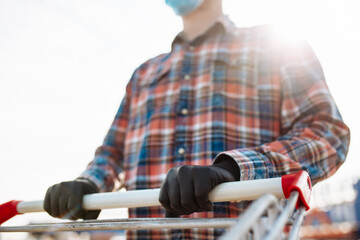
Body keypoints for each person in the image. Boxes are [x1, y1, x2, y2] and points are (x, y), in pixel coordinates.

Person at [43, 0, 351, 239]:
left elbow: (327, 133)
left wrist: (233, 169)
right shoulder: (144, 74)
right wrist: (88, 183)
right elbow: (112, 155)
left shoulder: (276, 46)